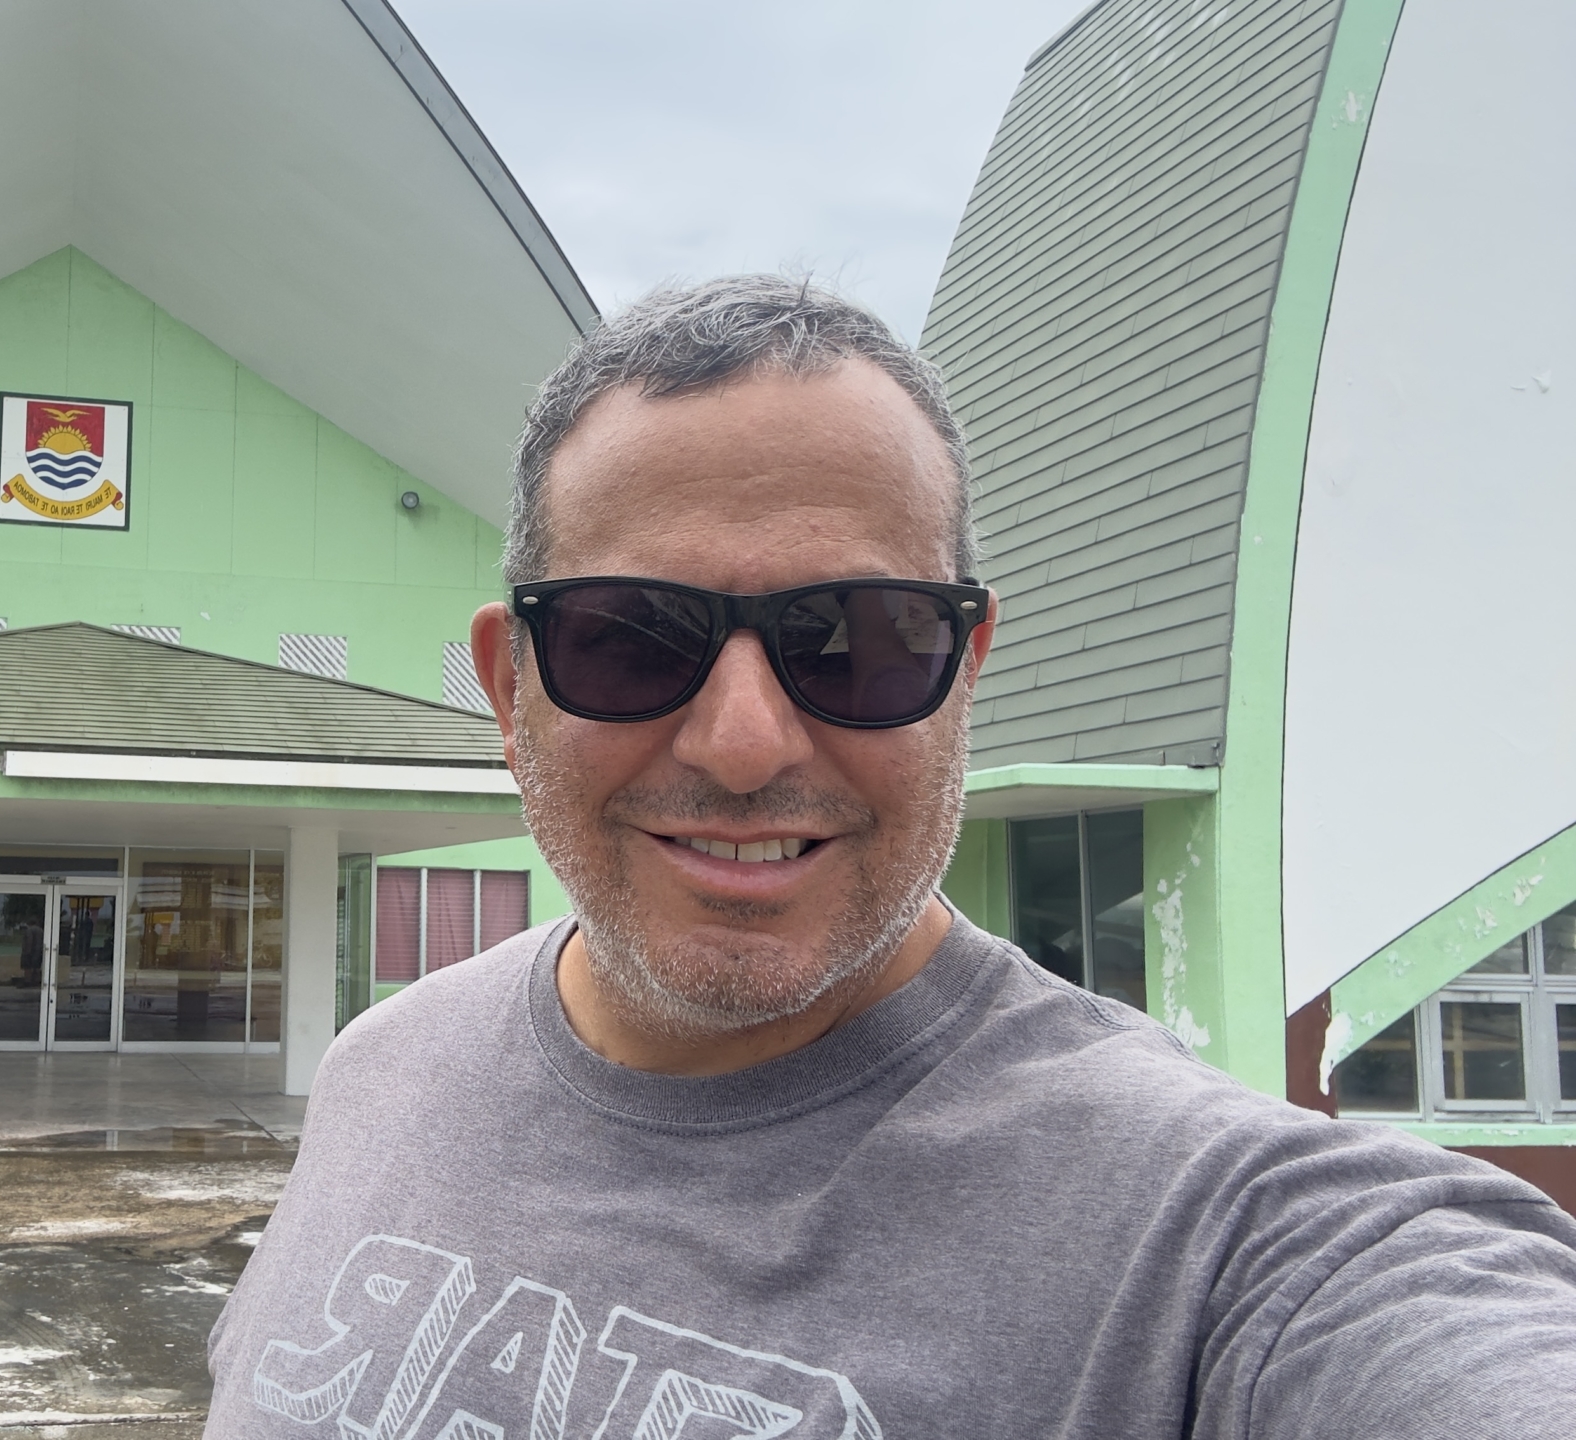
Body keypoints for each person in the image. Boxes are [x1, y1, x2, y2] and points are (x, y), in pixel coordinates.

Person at [204, 277, 1576, 1437]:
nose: (743, 745)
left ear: (965, 672)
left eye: (854, 637)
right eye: (631, 636)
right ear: (514, 690)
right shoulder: (381, 1070)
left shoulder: (1214, 1243)